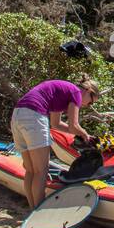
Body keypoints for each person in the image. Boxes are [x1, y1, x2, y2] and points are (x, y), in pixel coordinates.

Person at [10, 78, 100, 209]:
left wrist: (81, 134)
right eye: (91, 102)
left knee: (31, 170)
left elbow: (56, 124)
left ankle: (33, 210)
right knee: (41, 171)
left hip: (18, 115)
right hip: (34, 116)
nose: (87, 105)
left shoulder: (64, 91)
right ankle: (39, 212)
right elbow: (74, 125)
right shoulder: (76, 92)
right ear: (88, 91)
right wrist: (84, 133)